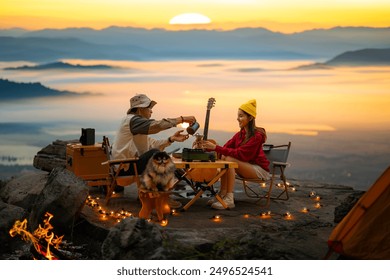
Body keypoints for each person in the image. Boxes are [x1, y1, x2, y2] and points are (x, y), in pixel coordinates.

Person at [112, 93, 196, 208]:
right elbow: (158, 125)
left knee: (157, 153)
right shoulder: (133, 121)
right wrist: (181, 119)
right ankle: (162, 198)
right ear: (140, 109)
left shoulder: (136, 124)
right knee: (159, 156)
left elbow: (152, 143)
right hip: (125, 167)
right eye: (149, 108)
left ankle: (151, 194)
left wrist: (171, 139)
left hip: (128, 165)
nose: (151, 111)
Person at [201, 99, 270, 209]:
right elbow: (225, 148)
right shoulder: (240, 134)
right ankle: (222, 194)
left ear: (250, 118)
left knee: (230, 159)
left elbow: (242, 155)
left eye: (241, 116)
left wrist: (215, 147)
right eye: (238, 116)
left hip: (259, 170)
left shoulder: (257, 136)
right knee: (225, 156)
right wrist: (208, 147)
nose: (238, 118)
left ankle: (229, 198)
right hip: (247, 166)